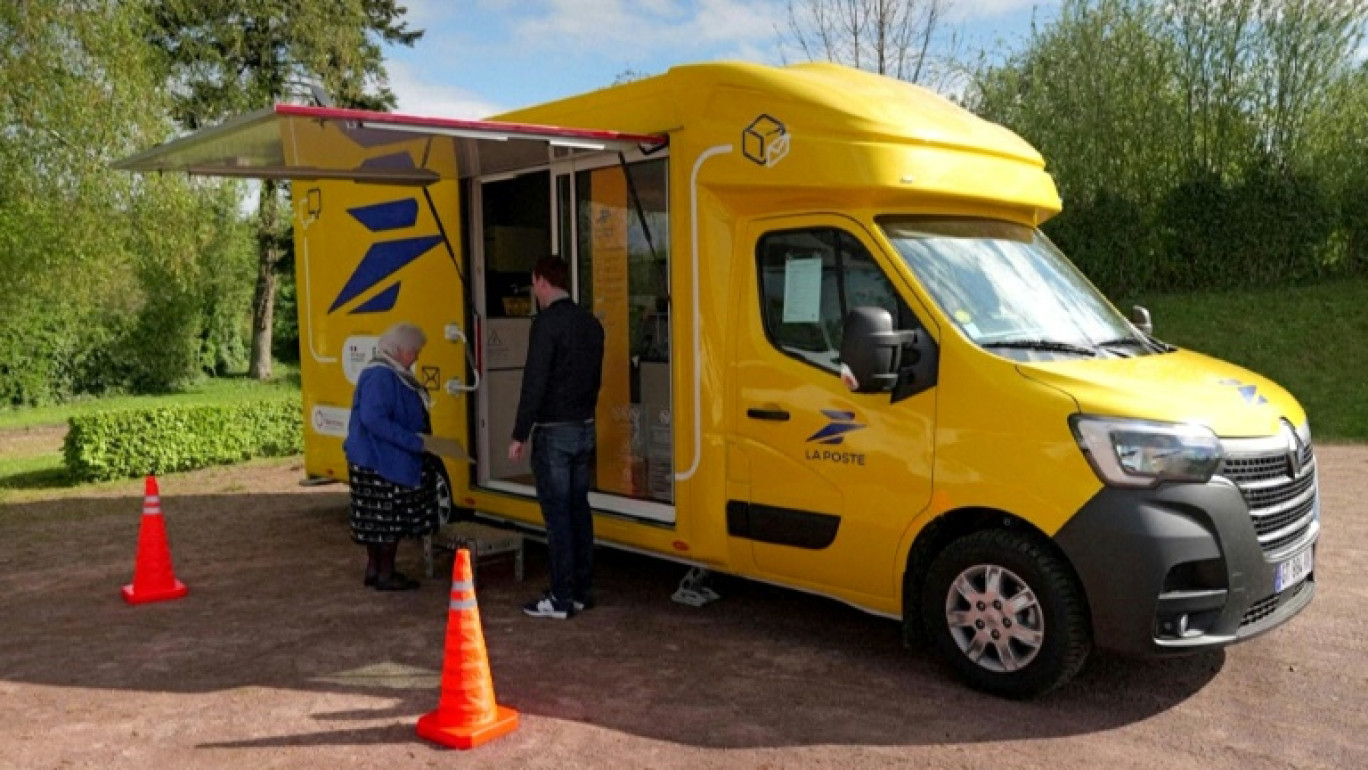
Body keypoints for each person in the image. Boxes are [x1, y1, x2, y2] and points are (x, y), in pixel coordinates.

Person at [510, 255, 605, 619]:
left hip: (553, 430)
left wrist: (520, 432)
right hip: (583, 425)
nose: (534, 291)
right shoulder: (591, 323)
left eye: (534, 284)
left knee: (558, 517)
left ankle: (560, 597)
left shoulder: (546, 325)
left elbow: (534, 382)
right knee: (579, 510)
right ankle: (581, 589)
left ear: (541, 281)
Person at [344, 322, 440, 591]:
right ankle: (386, 573)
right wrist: (414, 441)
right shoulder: (383, 376)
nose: (418, 356)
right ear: (399, 350)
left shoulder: (382, 371)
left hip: (373, 458)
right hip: (382, 461)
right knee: (388, 520)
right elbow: (374, 419)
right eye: (415, 351)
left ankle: (375, 570)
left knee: (375, 520)